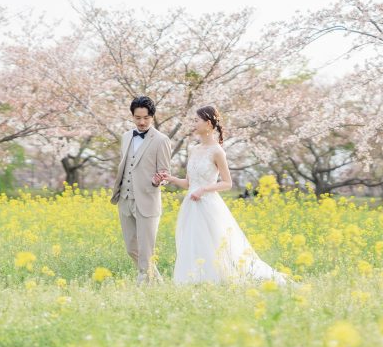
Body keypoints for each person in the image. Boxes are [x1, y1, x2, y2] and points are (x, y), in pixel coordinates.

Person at [159, 106, 285, 285]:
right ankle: (193, 280)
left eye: (196, 120)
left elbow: (227, 183)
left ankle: (218, 280)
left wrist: (203, 190)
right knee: (192, 242)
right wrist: (170, 178)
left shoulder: (217, 151)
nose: (193, 124)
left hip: (208, 204)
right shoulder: (194, 150)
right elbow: (188, 183)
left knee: (215, 244)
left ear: (208, 123)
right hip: (190, 204)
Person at [110, 96, 173, 285]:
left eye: (146, 117)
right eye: (138, 118)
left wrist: (158, 181)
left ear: (152, 117)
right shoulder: (126, 137)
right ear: (132, 117)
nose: (142, 122)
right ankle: (158, 282)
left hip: (147, 201)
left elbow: (165, 172)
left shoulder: (161, 140)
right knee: (131, 247)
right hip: (125, 199)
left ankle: (144, 285)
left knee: (147, 250)